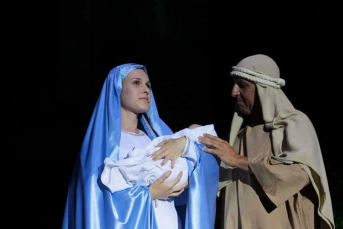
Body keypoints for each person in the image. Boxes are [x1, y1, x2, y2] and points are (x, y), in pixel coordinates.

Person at [62, 63, 219, 229]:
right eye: (136, 82)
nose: (146, 90)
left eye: (148, 85)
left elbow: (195, 179)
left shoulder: (159, 138)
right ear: (116, 89)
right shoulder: (101, 146)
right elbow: (96, 203)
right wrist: (150, 194)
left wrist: (185, 144)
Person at [198, 54, 335, 229]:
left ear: (265, 89)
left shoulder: (293, 124)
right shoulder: (238, 138)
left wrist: (237, 160)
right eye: (234, 84)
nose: (234, 92)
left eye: (242, 85)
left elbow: (299, 173)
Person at [101, 124, 217, 228]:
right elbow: (100, 199)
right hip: (138, 220)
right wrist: (151, 193)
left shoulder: (158, 134)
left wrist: (186, 146)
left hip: (169, 217)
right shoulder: (105, 141)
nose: (148, 98)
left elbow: (205, 171)